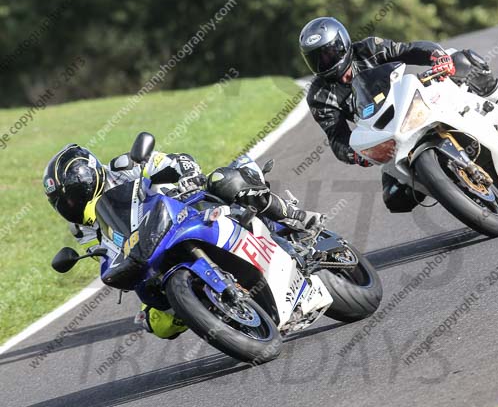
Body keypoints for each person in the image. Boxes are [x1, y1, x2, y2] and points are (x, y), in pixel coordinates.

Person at [43, 142, 321, 339]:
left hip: (188, 209)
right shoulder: (82, 230)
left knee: (224, 181)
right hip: (153, 248)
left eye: (75, 194)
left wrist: (186, 174)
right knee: (157, 322)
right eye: (64, 202)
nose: (72, 203)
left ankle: (294, 218)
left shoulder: (123, 167)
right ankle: (216, 310)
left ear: (92, 176)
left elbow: (173, 160)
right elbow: (108, 251)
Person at [299, 16, 498, 213]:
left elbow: (409, 50)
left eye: (328, 53)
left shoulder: (368, 48)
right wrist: (356, 155)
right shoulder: (319, 96)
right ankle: (456, 187)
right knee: (395, 198)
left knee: (462, 60)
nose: (324, 62)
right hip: (384, 134)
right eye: (316, 58)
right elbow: (336, 137)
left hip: (412, 102)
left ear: (342, 44)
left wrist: (436, 57)